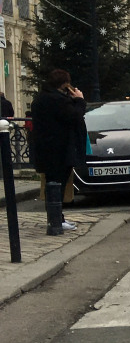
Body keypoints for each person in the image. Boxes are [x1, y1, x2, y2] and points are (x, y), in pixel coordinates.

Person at [29, 69, 86, 236]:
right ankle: (55, 221)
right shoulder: (57, 100)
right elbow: (75, 116)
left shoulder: (41, 99)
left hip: (46, 148)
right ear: (64, 84)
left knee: (52, 184)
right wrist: (80, 100)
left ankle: (56, 218)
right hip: (59, 149)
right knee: (56, 185)